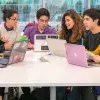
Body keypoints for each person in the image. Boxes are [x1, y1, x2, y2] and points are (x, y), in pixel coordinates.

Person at [20, 8, 57, 100]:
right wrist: (31, 46)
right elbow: (22, 43)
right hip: (31, 61)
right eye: (42, 21)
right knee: (23, 73)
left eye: (46, 21)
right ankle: (27, 93)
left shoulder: (52, 31)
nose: (44, 23)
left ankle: (41, 93)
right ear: (37, 19)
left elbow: (56, 47)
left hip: (47, 61)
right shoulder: (29, 29)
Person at [58, 9, 85, 100]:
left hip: (76, 68)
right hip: (67, 64)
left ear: (75, 20)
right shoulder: (66, 33)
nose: (66, 23)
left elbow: (79, 53)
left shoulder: (81, 34)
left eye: (68, 20)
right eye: (65, 21)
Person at [0, 9, 21, 100]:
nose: (16, 21)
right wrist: (3, 45)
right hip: (2, 56)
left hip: (14, 54)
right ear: (7, 19)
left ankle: (14, 88)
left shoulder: (17, 28)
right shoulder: (0, 29)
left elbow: (18, 43)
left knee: (19, 69)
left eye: (17, 19)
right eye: (14, 19)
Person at [83, 8, 100, 100]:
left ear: (96, 20)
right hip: (91, 69)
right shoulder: (88, 34)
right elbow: (84, 50)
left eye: (87, 19)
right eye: (84, 19)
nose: (84, 21)